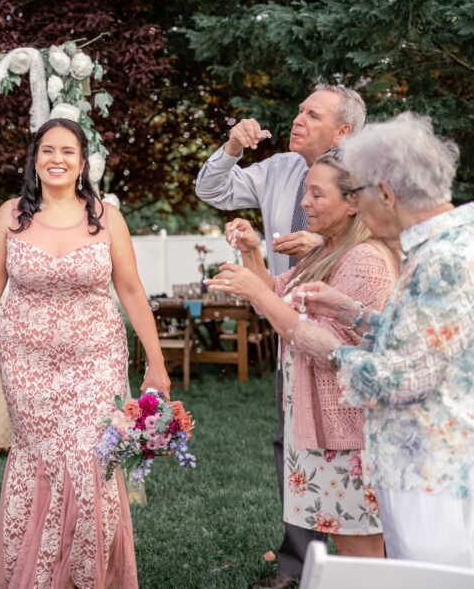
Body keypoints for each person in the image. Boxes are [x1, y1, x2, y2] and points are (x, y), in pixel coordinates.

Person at [0, 118, 170, 588]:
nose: (56, 159)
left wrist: (157, 362)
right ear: (34, 159)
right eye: (47, 150)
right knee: (40, 455)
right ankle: (39, 576)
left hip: (96, 361)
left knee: (89, 457)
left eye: (67, 151)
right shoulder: (9, 215)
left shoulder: (107, 217)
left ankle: (90, 574)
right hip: (26, 363)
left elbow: (130, 289)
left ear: (83, 162)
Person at [285, 113, 474, 567]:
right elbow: (430, 342)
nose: (357, 208)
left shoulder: (443, 259)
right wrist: (356, 315)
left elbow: (405, 377)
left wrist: (328, 349)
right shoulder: (445, 245)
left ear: (385, 193)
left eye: (355, 193)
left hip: (434, 476)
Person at [195, 84, 366, 587]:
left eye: (312, 114)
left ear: (344, 131)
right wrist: (231, 149)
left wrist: (328, 238)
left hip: (347, 335)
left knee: (357, 446)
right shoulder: (278, 170)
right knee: (291, 439)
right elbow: (212, 192)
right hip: (288, 324)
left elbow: (384, 240)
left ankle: (371, 558)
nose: (298, 118)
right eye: (299, 110)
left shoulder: (367, 176)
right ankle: (298, 563)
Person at [206, 149, 398, 560]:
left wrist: (256, 291)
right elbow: (277, 299)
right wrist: (252, 253)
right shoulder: (326, 250)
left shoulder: (365, 259)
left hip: (349, 432)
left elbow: (320, 342)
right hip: (322, 428)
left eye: (315, 194)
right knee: (347, 544)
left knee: (360, 549)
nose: (303, 203)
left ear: (352, 203)